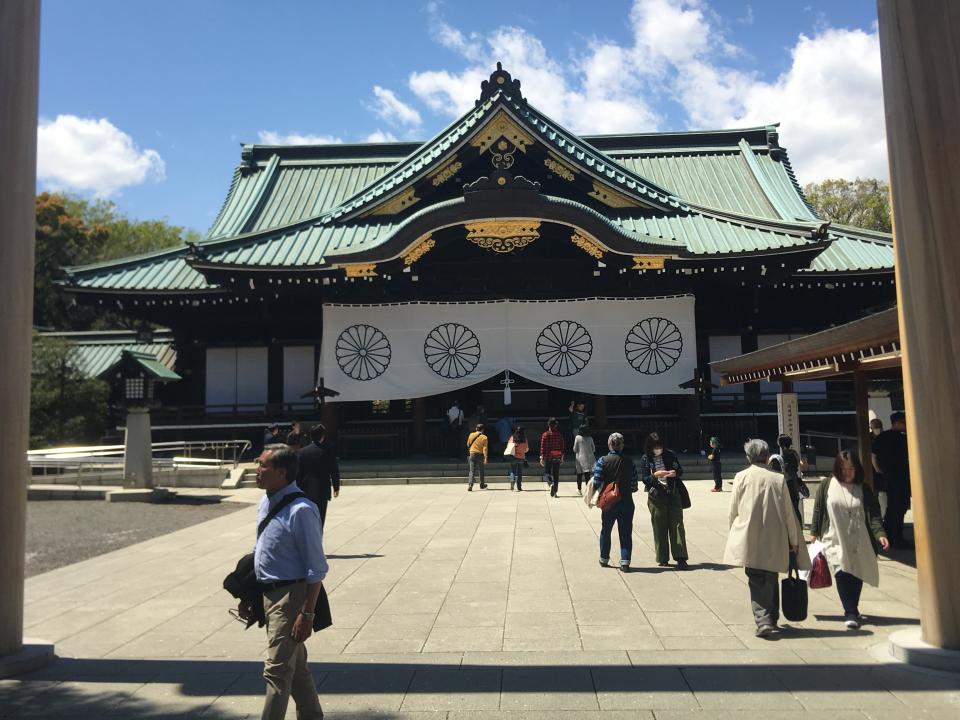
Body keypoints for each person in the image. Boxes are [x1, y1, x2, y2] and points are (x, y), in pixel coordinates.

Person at [242, 443, 327, 720]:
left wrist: (307, 613)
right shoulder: (267, 500)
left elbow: (316, 568)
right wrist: (249, 596)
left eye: (263, 465)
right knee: (296, 668)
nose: (257, 470)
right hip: (268, 593)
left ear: (281, 473)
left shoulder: (302, 509)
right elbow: (263, 552)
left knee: (276, 670)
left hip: (291, 596)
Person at [724, 439, 809, 639]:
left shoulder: (741, 477)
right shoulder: (777, 479)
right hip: (775, 536)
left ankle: (763, 621)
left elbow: (733, 510)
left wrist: (733, 535)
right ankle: (771, 617)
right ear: (766, 455)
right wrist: (794, 540)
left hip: (750, 536)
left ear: (748, 457)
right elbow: (789, 513)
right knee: (771, 577)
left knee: (755, 579)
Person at [810, 450, 890, 629]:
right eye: (843, 468)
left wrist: (880, 534)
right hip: (834, 537)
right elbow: (818, 509)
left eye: (851, 469)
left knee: (857, 572)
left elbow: (874, 515)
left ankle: (852, 606)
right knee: (842, 571)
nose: (847, 472)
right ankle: (850, 611)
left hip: (859, 538)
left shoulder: (864, 488)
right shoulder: (826, 485)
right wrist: (814, 532)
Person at [584, 432, 639, 571]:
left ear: (609, 445)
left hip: (609, 502)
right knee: (625, 532)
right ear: (622, 445)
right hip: (626, 500)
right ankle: (625, 561)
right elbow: (634, 485)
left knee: (606, 530)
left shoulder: (602, 460)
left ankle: (604, 558)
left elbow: (596, 482)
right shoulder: (629, 461)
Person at [639, 432, 689, 568]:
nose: (658, 449)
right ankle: (662, 557)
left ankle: (681, 557)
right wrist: (655, 475)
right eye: (655, 447)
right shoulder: (645, 459)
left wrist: (674, 473)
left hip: (673, 493)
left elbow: (680, 470)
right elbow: (645, 479)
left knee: (677, 525)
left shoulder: (670, 454)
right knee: (659, 526)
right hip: (656, 496)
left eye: (659, 446)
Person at [871, 411, 912, 548]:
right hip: (901, 478)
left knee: (892, 508)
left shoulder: (883, 437)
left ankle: (889, 535)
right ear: (897, 423)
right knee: (899, 508)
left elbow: (873, 455)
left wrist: (879, 470)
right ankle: (897, 538)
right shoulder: (903, 438)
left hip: (889, 478)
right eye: (903, 422)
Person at [296, 424, 341, 529]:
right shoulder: (327, 451)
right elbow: (334, 470)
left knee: (307, 519)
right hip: (322, 489)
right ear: (322, 436)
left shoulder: (302, 452)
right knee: (320, 519)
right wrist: (336, 487)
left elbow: (297, 472)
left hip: (305, 489)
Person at [769, 434, 806, 525]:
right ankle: (799, 531)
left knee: (784, 511)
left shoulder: (777, 458)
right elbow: (799, 466)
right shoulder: (794, 454)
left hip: (784, 486)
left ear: (779, 444)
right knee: (795, 509)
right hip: (794, 484)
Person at [539, 417, 565, 498]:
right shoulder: (559, 435)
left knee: (547, 474)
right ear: (556, 425)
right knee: (556, 475)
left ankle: (551, 485)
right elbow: (562, 446)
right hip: (557, 456)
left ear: (548, 425)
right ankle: (555, 492)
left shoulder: (545, 434)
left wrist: (541, 457)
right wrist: (562, 457)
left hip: (548, 457)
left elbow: (542, 447)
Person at [869, 418, 888, 516]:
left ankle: (883, 514)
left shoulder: (885, 436)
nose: (877, 429)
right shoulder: (868, 438)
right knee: (876, 493)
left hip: (882, 468)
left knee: (882, 493)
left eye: (879, 427)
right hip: (873, 470)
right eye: (875, 427)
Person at [573, 425, 596, 496]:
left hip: (579, 458)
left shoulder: (577, 438)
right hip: (588, 458)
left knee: (579, 475)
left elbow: (575, 449)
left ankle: (579, 490)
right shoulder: (590, 438)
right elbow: (594, 449)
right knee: (587, 475)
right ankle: (588, 490)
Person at [466, 423, 488, 491]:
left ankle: (470, 484)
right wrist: (485, 457)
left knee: (472, 470)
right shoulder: (484, 437)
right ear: (483, 430)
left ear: (476, 429)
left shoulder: (471, 435)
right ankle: (482, 485)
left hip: (472, 454)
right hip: (480, 455)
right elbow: (485, 448)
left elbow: (468, 444)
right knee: (481, 471)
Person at [507, 425, 529, 491]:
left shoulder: (512, 437)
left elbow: (509, 446)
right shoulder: (525, 439)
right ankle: (519, 486)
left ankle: (512, 482)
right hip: (521, 457)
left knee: (513, 471)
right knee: (520, 473)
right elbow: (526, 449)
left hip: (513, 457)